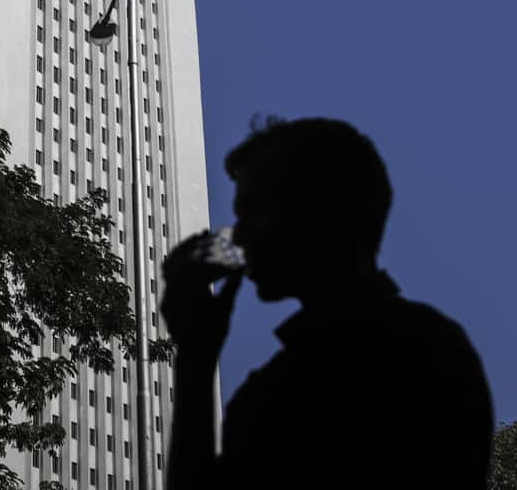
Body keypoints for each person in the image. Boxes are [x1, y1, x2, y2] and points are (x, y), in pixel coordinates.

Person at [161, 115, 494, 489]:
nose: (240, 235)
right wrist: (197, 356)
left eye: (254, 213)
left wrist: (196, 359)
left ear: (314, 212)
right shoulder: (434, 344)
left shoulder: (402, 354)